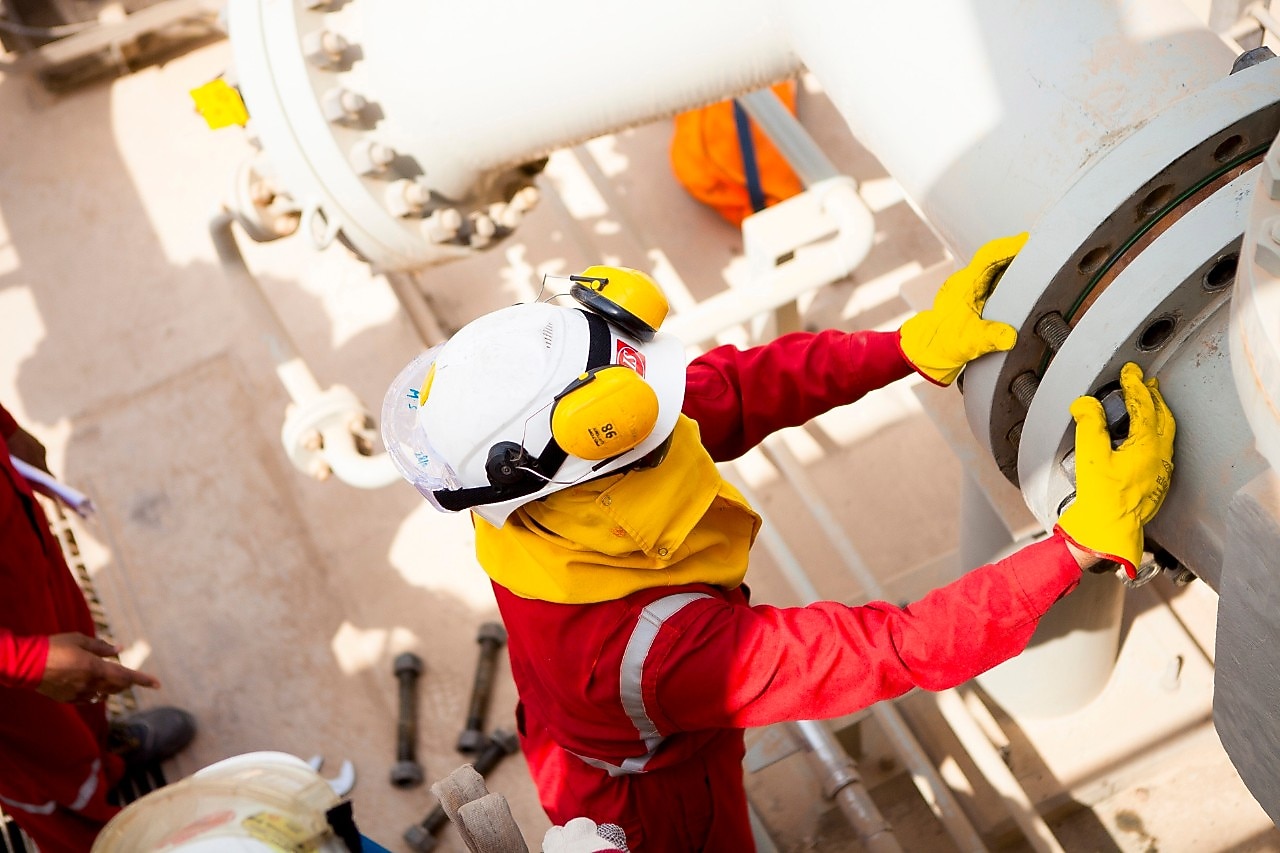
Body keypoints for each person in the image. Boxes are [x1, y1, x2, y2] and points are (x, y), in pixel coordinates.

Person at [380, 235, 1176, 851]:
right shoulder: (655, 652)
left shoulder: (529, 492)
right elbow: (895, 647)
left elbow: (732, 390)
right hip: (654, 806)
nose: (675, 409)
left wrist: (907, 346)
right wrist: (1072, 547)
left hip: (562, 732)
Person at [0, 404, 197, 853]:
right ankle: (89, 832)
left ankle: (102, 763)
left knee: (83, 687)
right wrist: (25, 663)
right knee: (41, 768)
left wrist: (7, 429)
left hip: (22, 559)